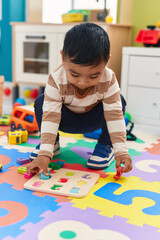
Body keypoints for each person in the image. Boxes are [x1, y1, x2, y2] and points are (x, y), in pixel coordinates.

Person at [27, 23, 132, 176]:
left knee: (118, 102)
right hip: (64, 120)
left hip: (93, 120)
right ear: (63, 57)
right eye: (75, 75)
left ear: (106, 61)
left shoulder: (109, 79)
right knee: (41, 101)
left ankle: (105, 145)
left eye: (94, 75)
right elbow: (50, 115)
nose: (83, 82)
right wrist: (45, 153)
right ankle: (51, 144)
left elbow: (114, 115)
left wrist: (121, 152)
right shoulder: (56, 79)